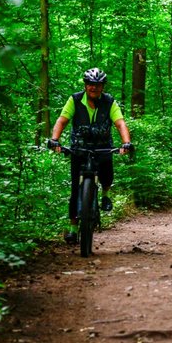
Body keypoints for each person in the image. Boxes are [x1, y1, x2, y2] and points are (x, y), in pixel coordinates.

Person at [48, 67, 132, 244]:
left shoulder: (109, 102)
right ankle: (72, 227)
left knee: (107, 175)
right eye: (90, 84)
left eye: (98, 85)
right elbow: (62, 121)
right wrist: (54, 140)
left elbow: (120, 123)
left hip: (102, 147)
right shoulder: (75, 100)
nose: (94, 88)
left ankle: (105, 194)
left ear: (102, 86)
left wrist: (126, 143)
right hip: (80, 148)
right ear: (86, 85)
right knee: (74, 189)